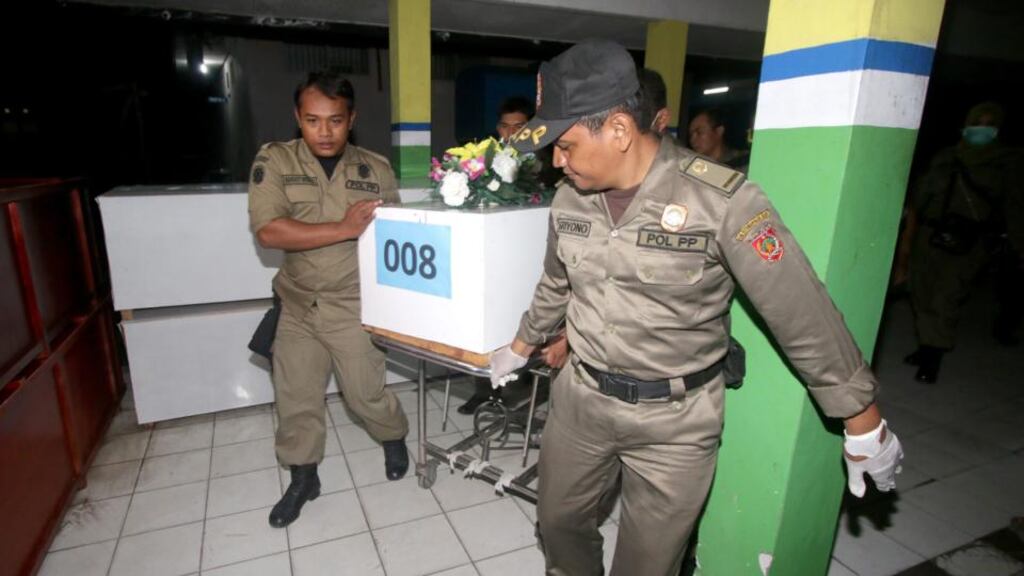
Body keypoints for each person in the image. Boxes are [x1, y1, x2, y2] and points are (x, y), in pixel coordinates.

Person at [494, 40, 904, 576]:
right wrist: (521, 344)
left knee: (648, 565)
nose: (557, 160)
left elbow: (799, 309)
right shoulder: (571, 198)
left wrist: (862, 418)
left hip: (676, 422)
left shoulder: (721, 201)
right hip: (581, 401)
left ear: (618, 131)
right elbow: (556, 281)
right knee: (557, 525)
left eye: (566, 145)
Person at [248, 69, 410, 528]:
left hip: (352, 304)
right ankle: (304, 477)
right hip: (298, 305)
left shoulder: (375, 168)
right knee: (295, 399)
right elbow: (269, 230)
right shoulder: (275, 161)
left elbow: (392, 240)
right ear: (298, 118)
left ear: (351, 118)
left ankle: (393, 435)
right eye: (313, 120)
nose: (324, 131)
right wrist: (343, 227)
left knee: (365, 396)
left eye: (335, 120)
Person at [903, 101, 1023, 382]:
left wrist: (1018, 245)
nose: (980, 130)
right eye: (976, 123)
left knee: (947, 295)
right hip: (930, 235)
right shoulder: (947, 157)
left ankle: (933, 355)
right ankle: (926, 345)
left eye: (988, 125)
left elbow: (1015, 207)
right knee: (920, 291)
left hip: (969, 242)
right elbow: (921, 196)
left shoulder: (1006, 163)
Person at [688, 107, 750, 173]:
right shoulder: (693, 167)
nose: (692, 139)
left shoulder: (744, 162)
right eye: (691, 134)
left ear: (719, 131)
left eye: (700, 132)